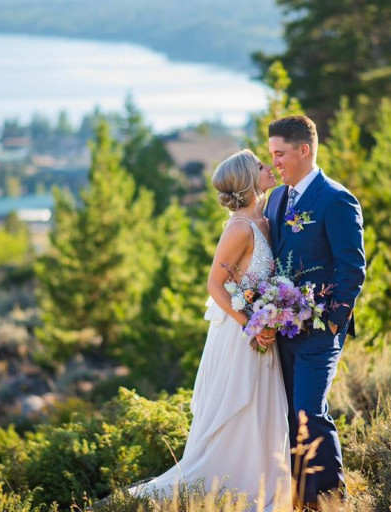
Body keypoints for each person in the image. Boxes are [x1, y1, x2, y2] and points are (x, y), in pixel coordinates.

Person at [128, 149, 291, 512]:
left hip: (262, 328)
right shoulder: (239, 228)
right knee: (240, 410)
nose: (270, 168)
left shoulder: (266, 220)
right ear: (251, 180)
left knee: (263, 412)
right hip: (240, 334)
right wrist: (253, 324)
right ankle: (227, 491)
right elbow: (215, 286)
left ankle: (266, 486)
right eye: (262, 166)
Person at [263, 115, 366, 508]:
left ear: (304, 150)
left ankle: (329, 500)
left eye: (280, 154)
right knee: (285, 415)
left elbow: (352, 269)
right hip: (281, 332)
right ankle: (297, 497)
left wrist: (329, 322)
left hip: (320, 332)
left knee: (309, 411)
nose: (275, 163)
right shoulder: (275, 199)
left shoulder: (337, 199)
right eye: (272, 155)